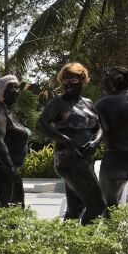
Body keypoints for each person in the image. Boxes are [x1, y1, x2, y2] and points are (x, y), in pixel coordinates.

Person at [36, 62, 105, 224]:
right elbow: (41, 125)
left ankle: (66, 246)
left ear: (82, 80)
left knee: (75, 209)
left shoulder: (88, 103)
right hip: (68, 161)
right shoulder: (58, 102)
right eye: (64, 81)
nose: (67, 85)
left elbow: (99, 127)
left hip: (85, 161)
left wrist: (95, 141)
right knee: (97, 205)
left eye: (72, 81)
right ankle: (84, 244)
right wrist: (66, 140)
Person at [0, 75, 31, 207]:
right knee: (3, 209)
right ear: (1, 91)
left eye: (17, 87)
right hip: (0, 168)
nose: (17, 91)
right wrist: (10, 168)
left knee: (16, 207)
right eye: (12, 88)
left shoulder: (8, 112)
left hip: (8, 168)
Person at [95, 66, 128, 209]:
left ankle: (112, 230)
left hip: (113, 160)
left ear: (112, 83)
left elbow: (92, 132)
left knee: (110, 207)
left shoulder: (102, 104)